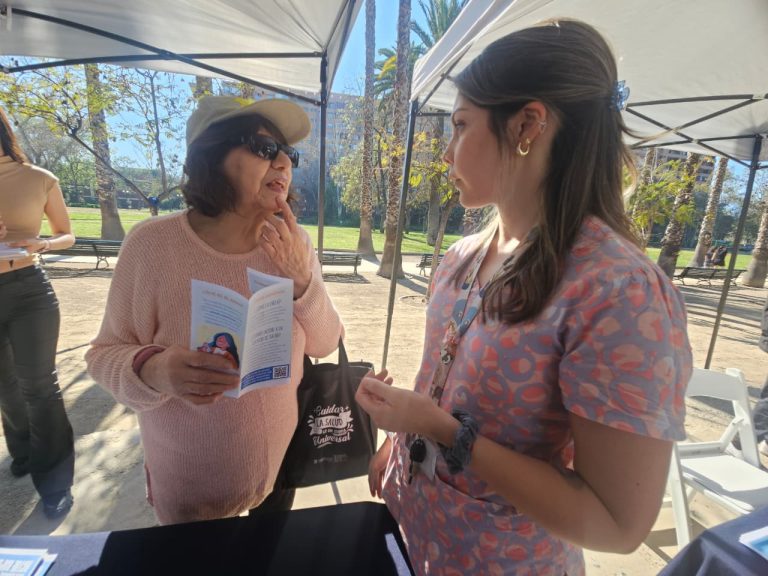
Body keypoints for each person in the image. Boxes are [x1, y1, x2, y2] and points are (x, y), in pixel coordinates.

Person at [355, 20, 692, 575]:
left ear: (527, 125)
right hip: (411, 538)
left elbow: (616, 523)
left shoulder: (617, 290)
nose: (447, 153)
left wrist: (441, 430)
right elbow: (445, 381)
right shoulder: (462, 256)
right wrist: (401, 441)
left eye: (461, 125)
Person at [86, 96, 344, 525]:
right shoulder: (151, 246)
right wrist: (153, 370)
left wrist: (303, 281)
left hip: (280, 468)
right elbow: (102, 356)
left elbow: (326, 342)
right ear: (212, 156)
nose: (283, 163)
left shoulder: (292, 242)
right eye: (264, 148)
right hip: (191, 488)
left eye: (289, 153)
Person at [0, 107, 76, 519]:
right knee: (5, 386)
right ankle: (25, 452)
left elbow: (67, 234)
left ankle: (55, 482)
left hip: (30, 290)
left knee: (40, 386)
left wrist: (42, 244)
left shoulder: (39, 178)